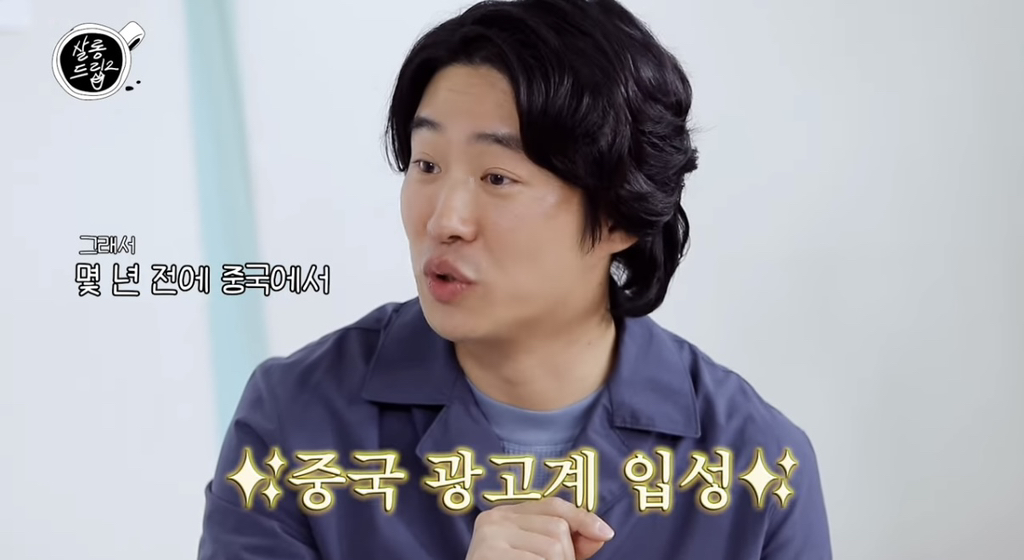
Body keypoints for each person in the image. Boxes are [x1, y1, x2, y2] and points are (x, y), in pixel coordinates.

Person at [197, 0, 832, 558]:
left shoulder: (755, 466)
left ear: (618, 214)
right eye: (426, 164)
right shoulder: (296, 425)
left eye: (497, 178)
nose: (444, 220)